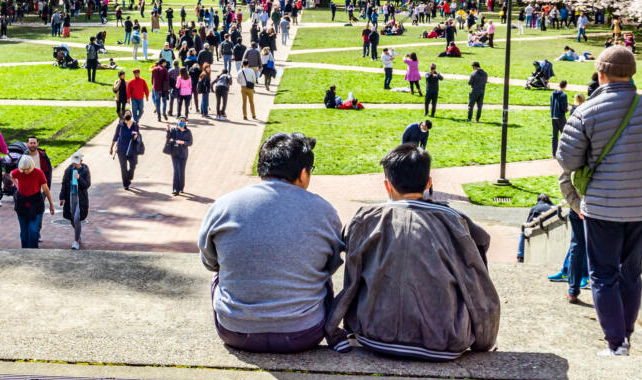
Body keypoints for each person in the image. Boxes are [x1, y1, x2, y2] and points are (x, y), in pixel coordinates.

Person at [325, 144, 500, 361]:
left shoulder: (365, 218)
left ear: (387, 185)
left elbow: (351, 279)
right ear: (428, 183)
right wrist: (484, 340)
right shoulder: (454, 220)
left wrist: (335, 330)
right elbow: (477, 276)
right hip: (445, 340)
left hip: (374, 334)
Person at [199, 133, 344, 354]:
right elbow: (330, 266)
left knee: (220, 273)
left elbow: (210, 263)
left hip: (235, 332)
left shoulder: (223, 206)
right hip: (304, 333)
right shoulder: (324, 211)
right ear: (304, 173)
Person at [556, 46, 642, 356]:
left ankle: (616, 342)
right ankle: (627, 335)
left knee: (603, 275)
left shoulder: (586, 111)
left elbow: (566, 160)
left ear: (601, 74)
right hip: (640, 207)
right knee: (632, 272)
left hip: (602, 207)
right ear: (632, 73)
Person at [10, 154, 55, 249]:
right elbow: (11, 175)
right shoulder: (18, 172)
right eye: (23, 169)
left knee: (33, 230)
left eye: (27, 169)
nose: (25, 171)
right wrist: (17, 186)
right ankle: (25, 251)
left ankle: (33, 252)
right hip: (22, 203)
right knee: (24, 231)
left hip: (36, 203)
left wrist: (51, 204)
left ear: (31, 166)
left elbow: (46, 189)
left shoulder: (39, 173)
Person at [59, 152, 91, 250]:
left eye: (76, 162)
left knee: (77, 218)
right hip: (70, 197)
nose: (74, 164)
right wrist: (62, 197)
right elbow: (64, 183)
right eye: (73, 162)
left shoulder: (85, 170)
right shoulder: (68, 170)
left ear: (81, 161)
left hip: (80, 198)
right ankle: (78, 233)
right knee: (73, 219)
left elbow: (87, 185)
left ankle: (76, 241)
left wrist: (79, 178)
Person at [110, 110, 141, 190]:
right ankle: (125, 184)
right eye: (126, 114)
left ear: (131, 116)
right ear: (124, 116)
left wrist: (136, 136)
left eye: (129, 114)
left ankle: (129, 177)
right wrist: (111, 147)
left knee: (133, 165)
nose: (127, 115)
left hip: (132, 149)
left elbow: (138, 135)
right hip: (121, 149)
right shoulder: (120, 125)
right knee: (123, 167)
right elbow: (115, 137)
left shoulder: (135, 125)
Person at [165, 118, 194, 195]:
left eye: (183, 121)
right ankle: (175, 188)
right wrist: (168, 130)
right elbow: (168, 137)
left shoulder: (188, 132)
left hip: (183, 153)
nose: (182, 122)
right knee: (176, 170)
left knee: (181, 170)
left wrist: (183, 142)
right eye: (180, 121)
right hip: (175, 153)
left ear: (185, 123)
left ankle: (181, 187)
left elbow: (190, 142)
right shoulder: (174, 130)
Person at [550, 80, 569, 157]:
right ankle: (565, 152)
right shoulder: (563, 95)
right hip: (560, 117)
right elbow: (564, 108)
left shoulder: (552, 94)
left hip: (553, 116)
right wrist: (567, 107)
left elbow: (551, 105)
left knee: (554, 136)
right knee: (565, 135)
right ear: (565, 86)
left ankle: (554, 153)